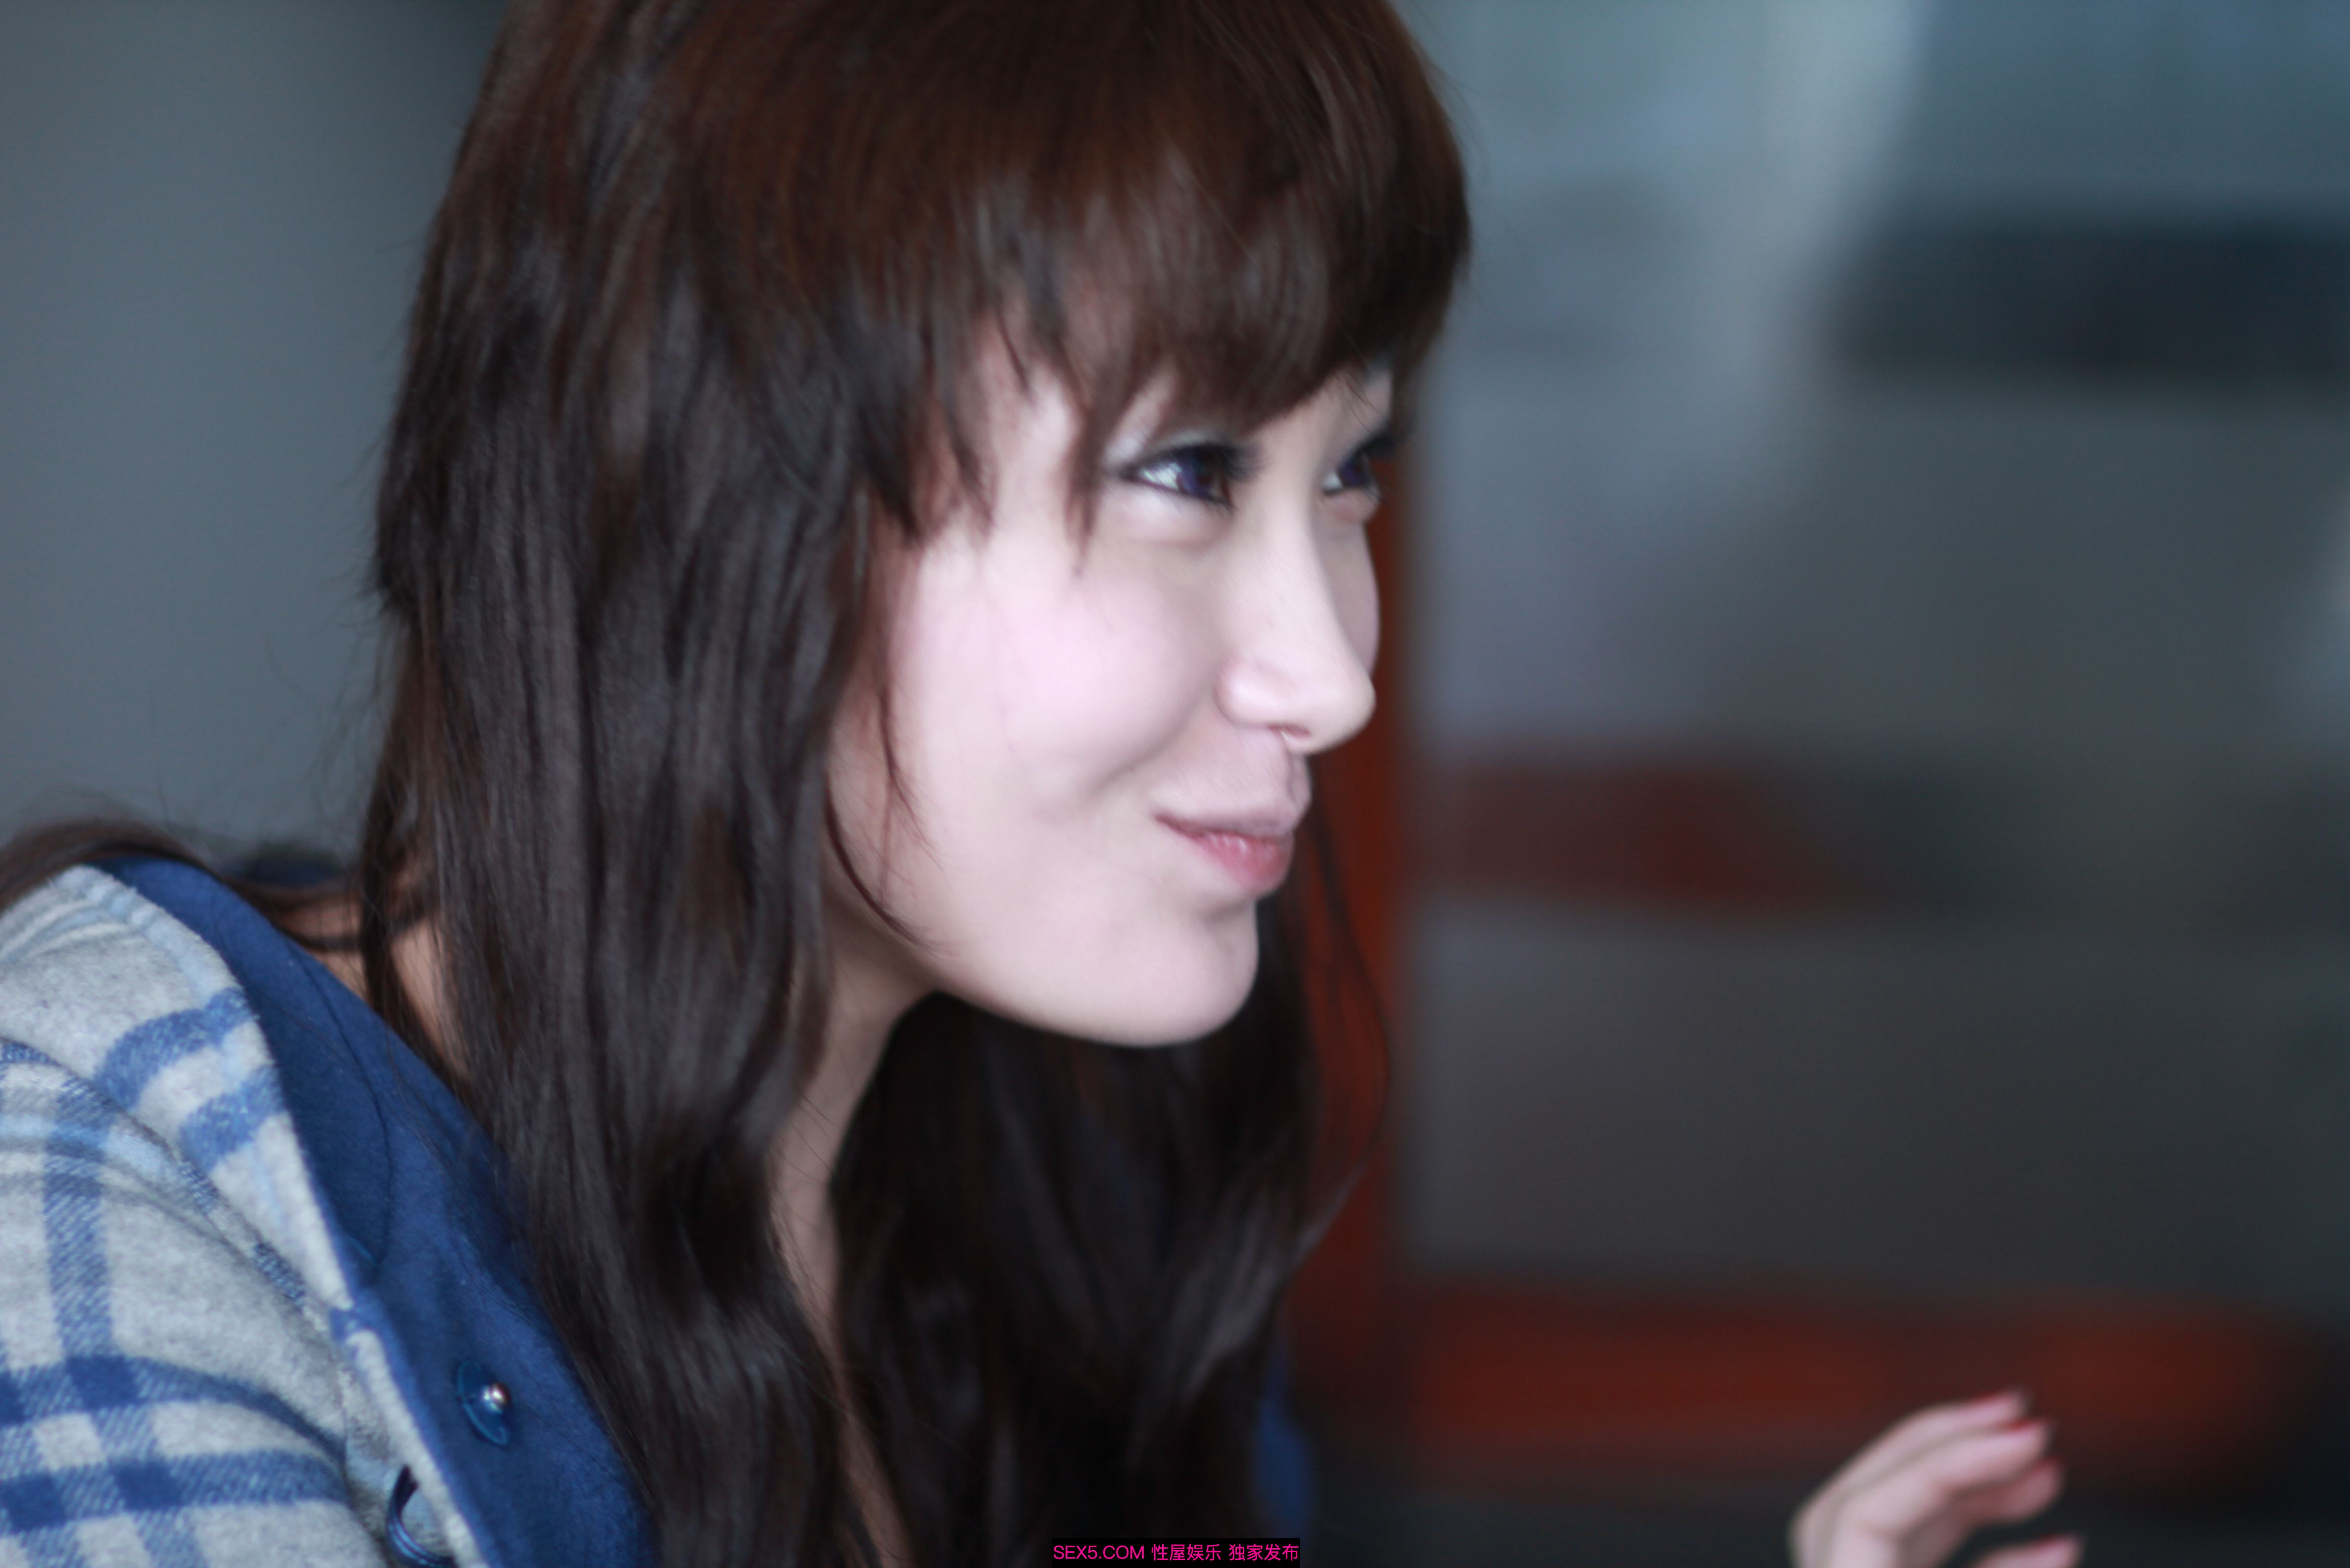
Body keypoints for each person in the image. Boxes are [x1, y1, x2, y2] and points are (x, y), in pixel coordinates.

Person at [0, 1, 2077, 1565]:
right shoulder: (108, 1178)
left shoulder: (1062, 1188)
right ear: (721, 491)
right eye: (1189, 472)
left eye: (1350, 466)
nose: (1336, 675)